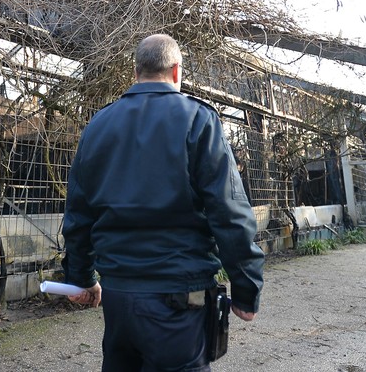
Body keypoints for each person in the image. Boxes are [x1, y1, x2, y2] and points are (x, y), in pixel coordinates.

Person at [62, 34, 265, 371]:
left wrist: (79, 278)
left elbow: (79, 213)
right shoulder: (199, 120)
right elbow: (229, 212)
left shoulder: (97, 126)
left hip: (118, 297)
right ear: (176, 71)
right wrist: (246, 289)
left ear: (136, 71)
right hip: (178, 302)